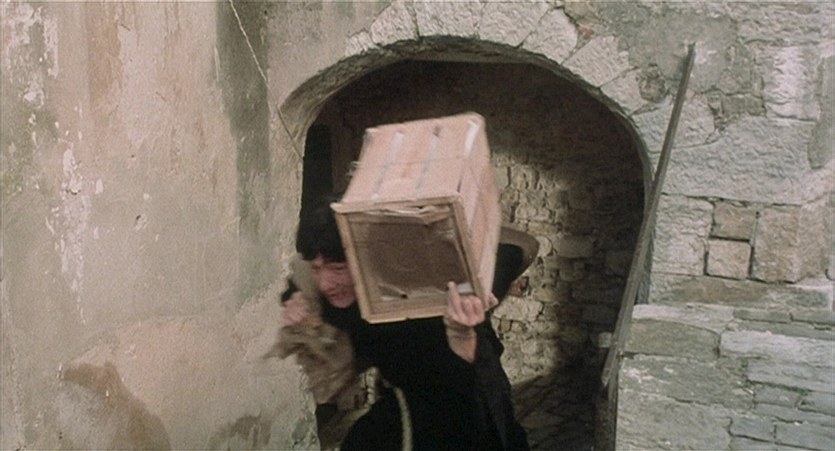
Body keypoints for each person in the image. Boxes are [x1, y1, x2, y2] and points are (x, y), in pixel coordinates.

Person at [280, 198, 536, 450]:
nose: (325, 283)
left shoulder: (423, 290)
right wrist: (304, 317)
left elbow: (519, 248)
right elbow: (303, 284)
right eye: (317, 269)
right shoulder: (331, 294)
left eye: (337, 269)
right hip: (405, 400)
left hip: (464, 399)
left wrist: (477, 289)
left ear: (364, 260)